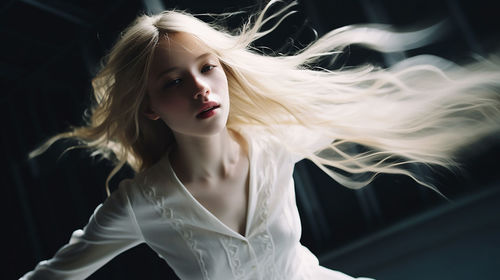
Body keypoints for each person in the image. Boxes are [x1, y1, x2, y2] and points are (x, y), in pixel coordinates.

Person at [21, 1, 500, 279]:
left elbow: (375, 103)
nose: (200, 88)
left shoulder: (274, 138)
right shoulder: (143, 203)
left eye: (207, 67)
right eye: (173, 82)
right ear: (149, 107)